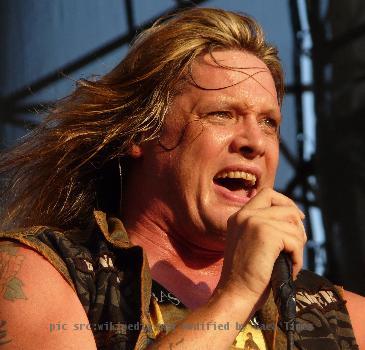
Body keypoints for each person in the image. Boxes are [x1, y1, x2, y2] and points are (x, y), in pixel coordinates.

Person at [0, 7, 364, 350]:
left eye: (269, 122)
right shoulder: (41, 274)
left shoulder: (341, 320)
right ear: (140, 133)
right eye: (221, 114)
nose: (255, 142)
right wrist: (237, 294)